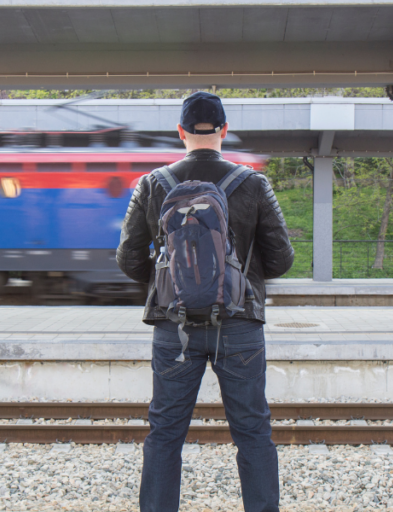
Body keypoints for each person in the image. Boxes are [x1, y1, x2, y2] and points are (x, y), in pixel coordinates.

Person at [116, 91, 294, 512]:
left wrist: (167, 287)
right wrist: (238, 280)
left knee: (164, 434)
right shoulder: (253, 183)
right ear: (224, 131)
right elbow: (282, 258)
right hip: (240, 324)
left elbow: (127, 257)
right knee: (252, 432)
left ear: (180, 132)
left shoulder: (152, 183)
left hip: (172, 326)